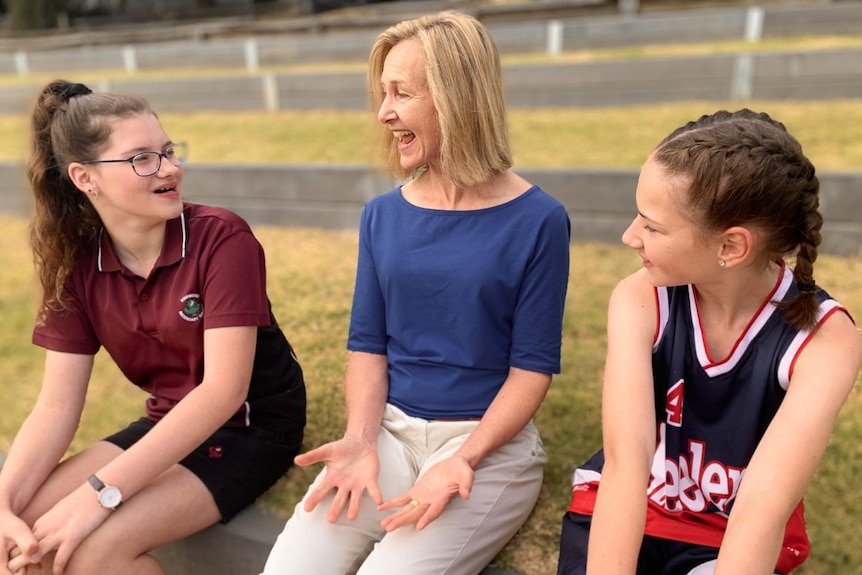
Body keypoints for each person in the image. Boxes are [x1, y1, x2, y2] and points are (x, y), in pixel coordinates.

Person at [260, 10, 570, 575]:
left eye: (401, 93)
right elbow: (368, 347)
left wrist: (466, 458)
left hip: (489, 446)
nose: (384, 113)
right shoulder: (382, 216)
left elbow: (531, 370)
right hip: (389, 435)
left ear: (454, 98)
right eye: (383, 94)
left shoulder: (539, 220)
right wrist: (358, 440)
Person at [0, 80, 306, 575]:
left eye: (167, 152)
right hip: (166, 422)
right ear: (85, 177)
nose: (169, 169)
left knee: (86, 554)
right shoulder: (76, 266)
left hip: (250, 428)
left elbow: (224, 392)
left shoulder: (222, 238)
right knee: (20, 544)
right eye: (141, 158)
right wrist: (2, 506)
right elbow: (56, 406)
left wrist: (99, 496)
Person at [557, 109, 862, 575]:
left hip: (728, 534)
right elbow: (626, 462)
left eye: (651, 226)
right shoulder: (640, 299)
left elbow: (761, 509)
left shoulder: (826, 340)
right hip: (631, 507)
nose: (629, 236)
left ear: (730, 247)